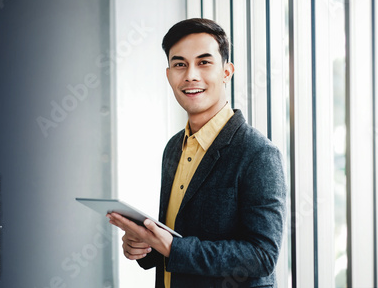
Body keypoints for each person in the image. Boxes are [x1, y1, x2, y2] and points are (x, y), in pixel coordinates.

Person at [107, 18, 286, 288]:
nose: (191, 75)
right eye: (180, 64)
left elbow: (262, 256)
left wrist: (174, 249)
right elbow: (180, 237)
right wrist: (146, 245)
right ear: (169, 76)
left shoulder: (258, 153)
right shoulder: (173, 148)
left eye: (204, 62)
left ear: (227, 72)